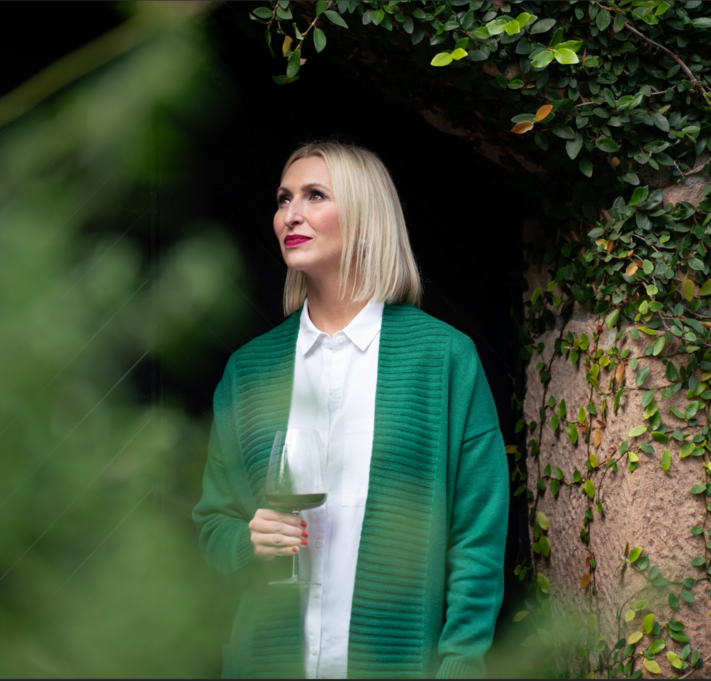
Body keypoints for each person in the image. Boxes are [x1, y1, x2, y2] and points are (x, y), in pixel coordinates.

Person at [192, 140, 509, 679]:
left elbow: (477, 540)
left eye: (315, 195)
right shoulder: (249, 371)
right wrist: (248, 543)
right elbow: (212, 525)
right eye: (283, 198)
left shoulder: (443, 359)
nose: (290, 214)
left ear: (366, 215)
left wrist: (460, 665)